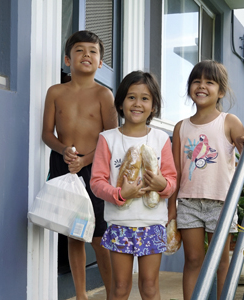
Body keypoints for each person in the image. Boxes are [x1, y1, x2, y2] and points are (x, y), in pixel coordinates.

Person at [168, 60, 244, 300]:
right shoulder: (181, 127)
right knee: (194, 259)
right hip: (188, 202)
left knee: (220, 260)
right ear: (189, 87)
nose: (202, 86)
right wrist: (171, 210)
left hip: (221, 203)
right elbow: (176, 171)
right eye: (196, 81)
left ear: (220, 91)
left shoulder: (229, 121)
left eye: (210, 82)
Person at [42, 30, 117, 300]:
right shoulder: (55, 92)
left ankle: (112, 294)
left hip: (94, 169)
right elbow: (47, 134)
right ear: (67, 59)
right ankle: (81, 294)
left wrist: (85, 159)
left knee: (98, 237)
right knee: (73, 233)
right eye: (79, 50)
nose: (86, 55)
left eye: (92, 51)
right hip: (63, 165)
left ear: (100, 63)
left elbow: (111, 138)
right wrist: (64, 151)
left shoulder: (104, 94)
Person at [90, 70, 177, 300]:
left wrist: (161, 184)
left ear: (154, 106)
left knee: (149, 287)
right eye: (131, 97)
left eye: (145, 98)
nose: (137, 103)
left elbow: (172, 182)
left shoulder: (160, 139)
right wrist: (119, 193)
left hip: (152, 224)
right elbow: (97, 182)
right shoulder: (108, 139)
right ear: (120, 103)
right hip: (120, 224)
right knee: (119, 287)